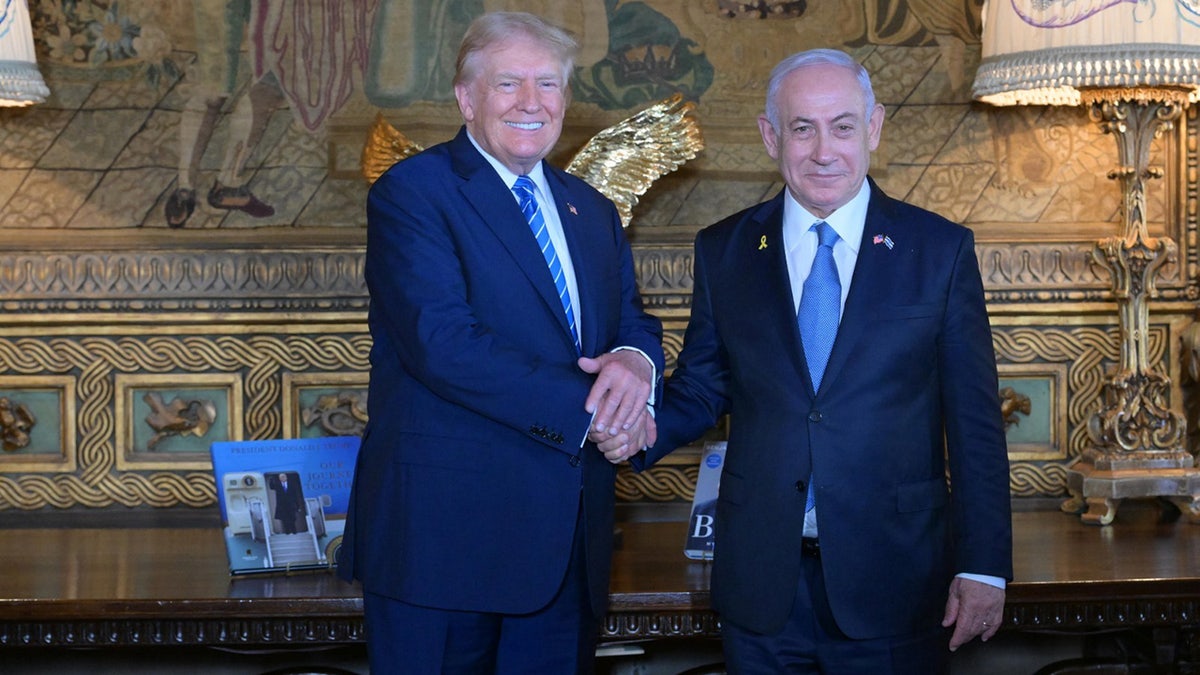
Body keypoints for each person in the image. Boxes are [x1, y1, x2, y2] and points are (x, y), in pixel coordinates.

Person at [600, 48, 1012, 673]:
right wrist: (633, 426)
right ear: (772, 136)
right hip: (763, 585)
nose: (825, 150)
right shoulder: (725, 249)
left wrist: (984, 566)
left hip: (895, 577)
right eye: (803, 128)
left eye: (843, 126)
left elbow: (976, 425)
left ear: (873, 129)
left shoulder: (940, 250)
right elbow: (706, 388)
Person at [337, 11, 664, 674]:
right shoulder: (415, 192)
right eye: (508, 83)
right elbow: (443, 344)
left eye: (548, 85)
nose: (531, 102)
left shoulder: (589, 209)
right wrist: (601, 411)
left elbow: (631, 321)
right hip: (445, 548)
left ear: (566, 102)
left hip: (565, 552)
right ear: (466, 97)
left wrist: (636, 363)